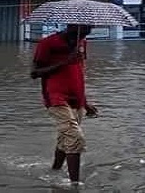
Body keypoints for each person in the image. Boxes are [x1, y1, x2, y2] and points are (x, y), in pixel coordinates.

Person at [30, 24, 98, 185]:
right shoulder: (47, 43)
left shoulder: (82, 43)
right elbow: (34, 73)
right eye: (80, 33)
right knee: (75, 137)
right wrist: (64, 62)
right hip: (55, 97)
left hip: (77, 99)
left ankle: (54, 171)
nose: (82, 38)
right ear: (70, 27)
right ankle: (75, 184)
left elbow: (79, 72)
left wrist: (86, 103)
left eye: (87, 33)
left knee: (65, 138)